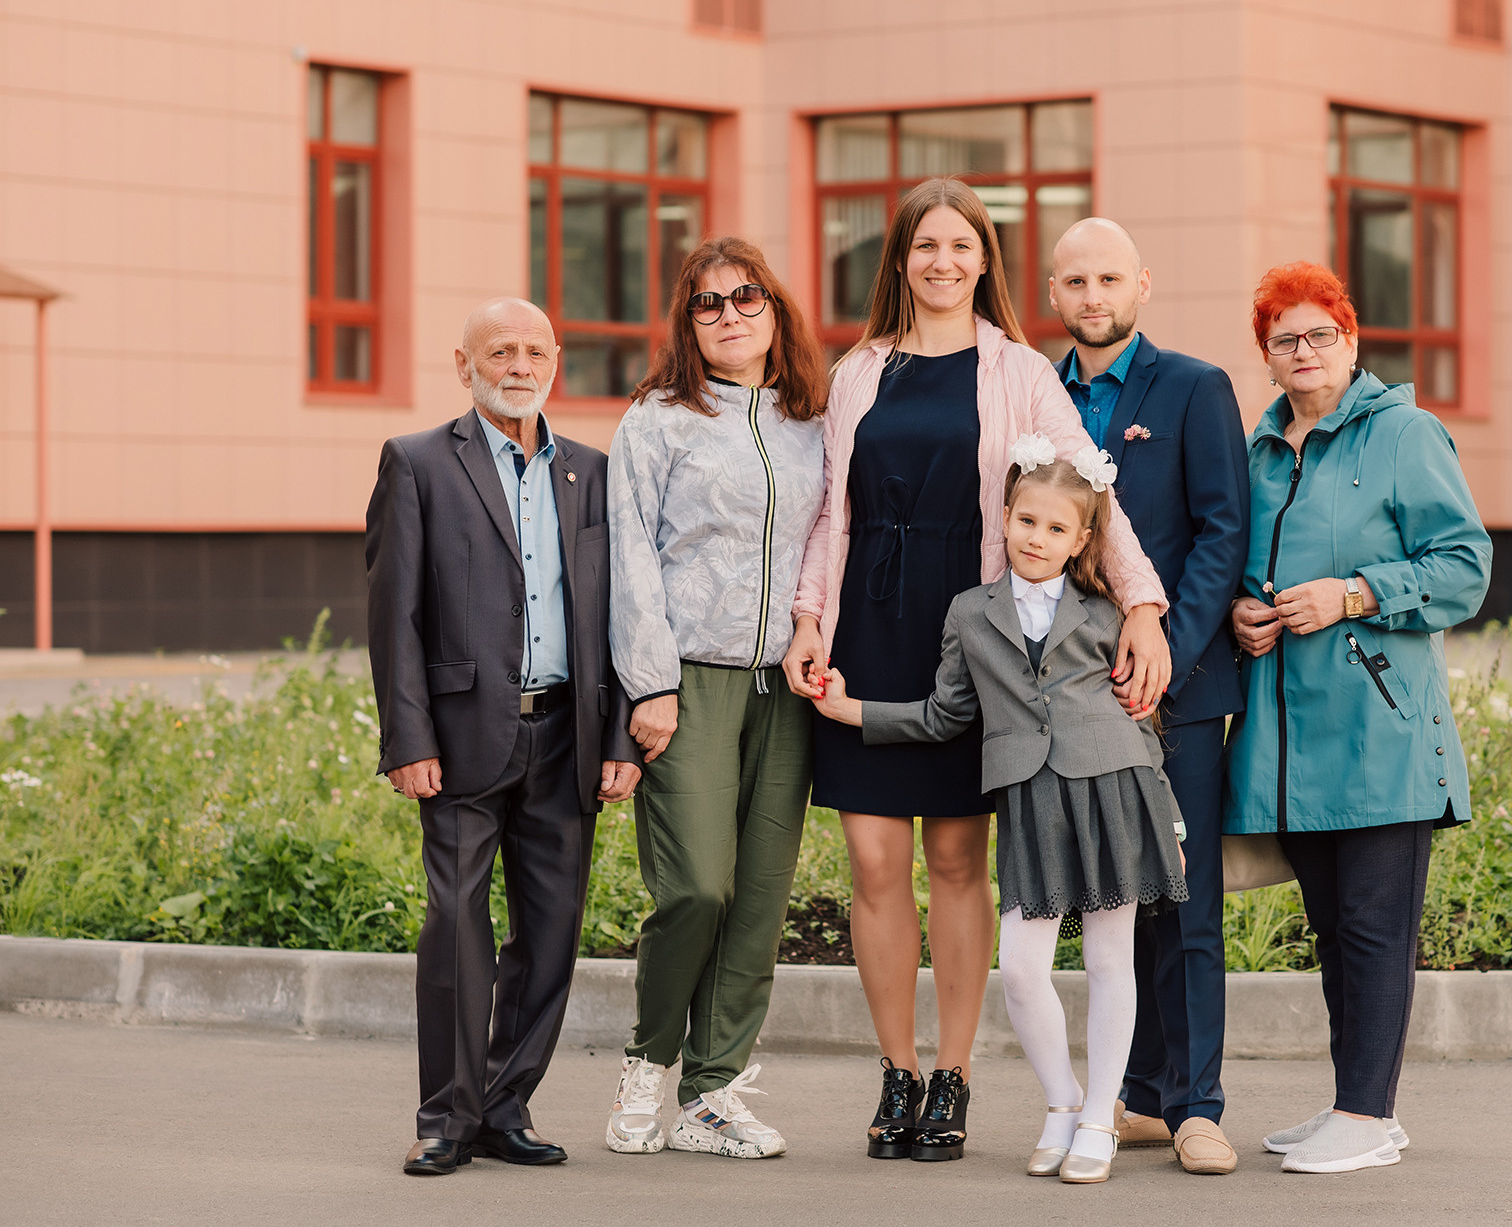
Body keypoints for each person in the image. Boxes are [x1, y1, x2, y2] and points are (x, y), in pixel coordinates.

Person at [783, 178, 1173, 1163]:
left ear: (983, 260)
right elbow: (832, 508)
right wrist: (807, 619)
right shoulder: (858, 368)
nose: (943, 261)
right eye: (926, 245)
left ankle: (953, 1074)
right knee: (873, 862)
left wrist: (1142, 602)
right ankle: (898, 1071)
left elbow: (1090, 485)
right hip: (866, 620)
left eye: (962, 244)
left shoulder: (1017, 369)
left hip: (971, 636)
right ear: (901, 260)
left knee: (956, 859)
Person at [812, 442, 1189, 1185]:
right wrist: (851, 710)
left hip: (1114, 784)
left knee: (1112, 958)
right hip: (1032, 797)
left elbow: (1144, 719)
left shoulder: (1110, 611)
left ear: (1083, 539)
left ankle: (1098, 1117)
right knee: (1020, 968)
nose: (1036, 538)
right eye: (1026, 520)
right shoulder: (971, 612)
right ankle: (1062, 1101)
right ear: (1004, 517)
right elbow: (946, 711)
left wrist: (1164, 808)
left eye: (1056, 529)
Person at [1224, 262, 1491, 1175]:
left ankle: (1367, 1115)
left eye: (1319, 334)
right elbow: (1240, 568)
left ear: (1350, 339)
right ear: (1266, 355)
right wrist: (1242, 613)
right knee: (1335, 929)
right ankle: (1354, 1103)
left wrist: (1356, 592)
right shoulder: (1260, 452)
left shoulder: (1405, 434)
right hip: (1290, 737)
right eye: (1284, 339)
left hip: (1379, 727)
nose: (1303, 352)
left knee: (1377, 928)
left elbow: (1464, 566)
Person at [366, 297, 643, 1177]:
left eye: (534, 350)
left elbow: (618, 615)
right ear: (464, 365)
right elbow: (394, 617)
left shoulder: (592, 472)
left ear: (556, 359)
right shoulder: (415, 463)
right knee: (456, 921)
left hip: (568, 731)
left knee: (552, 931)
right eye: (500, 350)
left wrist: (622, 740)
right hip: (457, 735)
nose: (519, 364)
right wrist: (407, 737)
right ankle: (446, 1115)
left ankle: (504, 1104)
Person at [601, 239, 827, 1160]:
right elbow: (629, 558)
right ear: (686, 324)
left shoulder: (814, 418)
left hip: (788, 686)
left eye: (748, 296)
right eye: (709, 304)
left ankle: (711, 1093)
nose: (731, 314)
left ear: (777, 309)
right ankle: (649, 1064)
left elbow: (830, 538)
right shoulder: (657, 419)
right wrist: (648, 684)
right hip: (688, 679)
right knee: (696, 884)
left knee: (761, 898)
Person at [1046, 218, 1250, 1175]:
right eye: (1077, 280)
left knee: (1187, 895)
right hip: (1073, 694)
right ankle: (1135, 1094)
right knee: (1114, 898)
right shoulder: (1036, 392)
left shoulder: (1196, 388)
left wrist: (1166, 638)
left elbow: (1222, 531)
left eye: (1109, 279)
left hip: (1181, 684)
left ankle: (1198, 1104)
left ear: (1143, 285)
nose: (1094, 296)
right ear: (1056, 292)